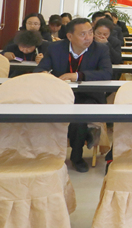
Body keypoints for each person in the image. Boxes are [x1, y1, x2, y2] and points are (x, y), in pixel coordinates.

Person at [36, 18, 112, 173]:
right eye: (83, 34)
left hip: (88, 96)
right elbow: (40, 69)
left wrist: (77, 76)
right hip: (61, 96)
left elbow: (106, 73)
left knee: (78, 119)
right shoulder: (55, 48)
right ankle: (46, 154)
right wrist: (44, 74)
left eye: (90, 32)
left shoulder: (100, 49)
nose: (88, 37)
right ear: (70, 36)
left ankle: (76, 157)